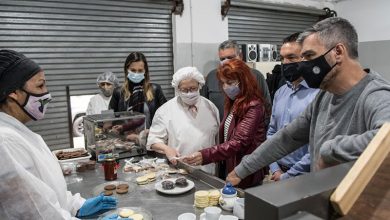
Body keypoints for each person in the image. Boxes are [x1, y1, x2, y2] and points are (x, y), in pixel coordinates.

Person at [227, 17, 390, 186]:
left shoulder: (375, 94)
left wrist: (329, 150)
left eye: (310, 56)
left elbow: (387, 139)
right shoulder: (324, 97)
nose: (303, 65)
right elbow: (288, 137)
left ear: (338, 52)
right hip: (322, 197)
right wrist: (242, 170)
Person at [0, 50, 117, 219]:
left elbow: (46, 192)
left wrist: (77, 206)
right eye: (40, 86)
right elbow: (36, 212)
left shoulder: (20, 133)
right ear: (13, 93)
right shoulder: (6, 142)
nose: (48, 94)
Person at [184, 59, 269, 189]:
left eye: (230, 83)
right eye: (223, 83)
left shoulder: (253, 106)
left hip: (245, 170)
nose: (226, 87)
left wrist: (206, 155)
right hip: (231, 164)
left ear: (244, 81)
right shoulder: (233, 102)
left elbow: (238, 142)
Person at [146, 67, 220, 174]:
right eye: (184, 90)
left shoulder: (211, 108)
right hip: (178, 170)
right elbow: (153, 141)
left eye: (193, 88)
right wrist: (167, 149)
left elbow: (217, 141)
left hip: (208, 171)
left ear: (199, 86)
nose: (189, 93)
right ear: (177, 89)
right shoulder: (165, 111)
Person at [268, 33, 319, 181]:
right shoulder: (280, 93)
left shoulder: (319, 94)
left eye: (291, 57)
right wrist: (275, 168)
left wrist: (288, 176)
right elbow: (271, 132)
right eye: (282, 58)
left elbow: (316, 144)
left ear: (305, 58)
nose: (285, 63)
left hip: (305, 177)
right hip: (277, 173)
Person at [201, 40, 271, 122]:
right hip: (219, 130)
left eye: (230, 57)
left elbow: (267, 107)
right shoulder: (212, 77)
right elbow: (204, 106)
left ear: (240, 56)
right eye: (222, 59)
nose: (226, 61)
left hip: (248, 130)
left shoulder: (255, 76)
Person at [109, 52, 167, 129]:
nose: (136, 74)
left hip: (149, 137)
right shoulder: (118, 92)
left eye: (140, 71)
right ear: (126, 70)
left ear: (145, 71)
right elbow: (110, 118)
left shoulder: (155, 89)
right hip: (126, 139)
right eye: (133, 70)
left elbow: (166, 115)